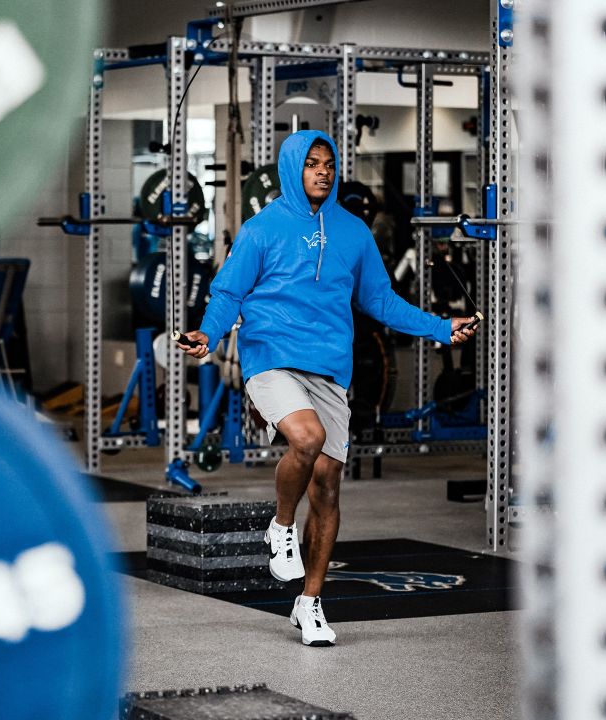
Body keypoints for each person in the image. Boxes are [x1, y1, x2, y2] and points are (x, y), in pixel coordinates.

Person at [176, 130, 478, 647]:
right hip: (270, 358)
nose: (322, 171)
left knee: (329, 487)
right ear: (293, 168)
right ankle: (280, 526)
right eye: (311, 163)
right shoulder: (262, 228)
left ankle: (310, 603)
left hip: (330, 369)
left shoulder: (353, 232)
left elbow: (381, 301)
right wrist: (208, 330)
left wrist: (440, 327)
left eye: (329, 164)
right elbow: (229, 290)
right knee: (306, 438)